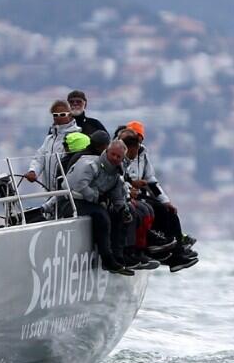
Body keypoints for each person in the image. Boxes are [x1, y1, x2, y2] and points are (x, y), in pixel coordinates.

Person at [119, 122, 198, 272]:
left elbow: (151, 181)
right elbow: (119, 177)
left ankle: (177, 250)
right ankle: (158, 246)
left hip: (138, 193)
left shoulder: (142, 154)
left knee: (168, 211)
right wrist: (130, 189)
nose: (136, 141)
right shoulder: (119, 151)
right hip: (128, 194)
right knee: (150, 210)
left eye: (138, 138)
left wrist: (166, 201)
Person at [66, 139, 135, 275]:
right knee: (102, 216)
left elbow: (117, 196)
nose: (115, 158)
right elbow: (80, 186)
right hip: (72, 201)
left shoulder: (116, 174)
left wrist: (123, 210)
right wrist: (97, 197)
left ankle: (119, 257)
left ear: (122, 158)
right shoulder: (91, 165)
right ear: (107, 152)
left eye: (118, 157)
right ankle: (107, 260)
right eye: (113, 154)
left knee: (121, 215)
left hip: (92, 202)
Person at [25, 100, 80, 190]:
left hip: (68, 192)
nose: (58, 117)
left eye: (62, 114)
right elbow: (40, 158)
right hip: (49, 191)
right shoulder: (49, 139)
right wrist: (33, 171)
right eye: (55, 115)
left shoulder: (77, 136)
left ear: (70, 115)